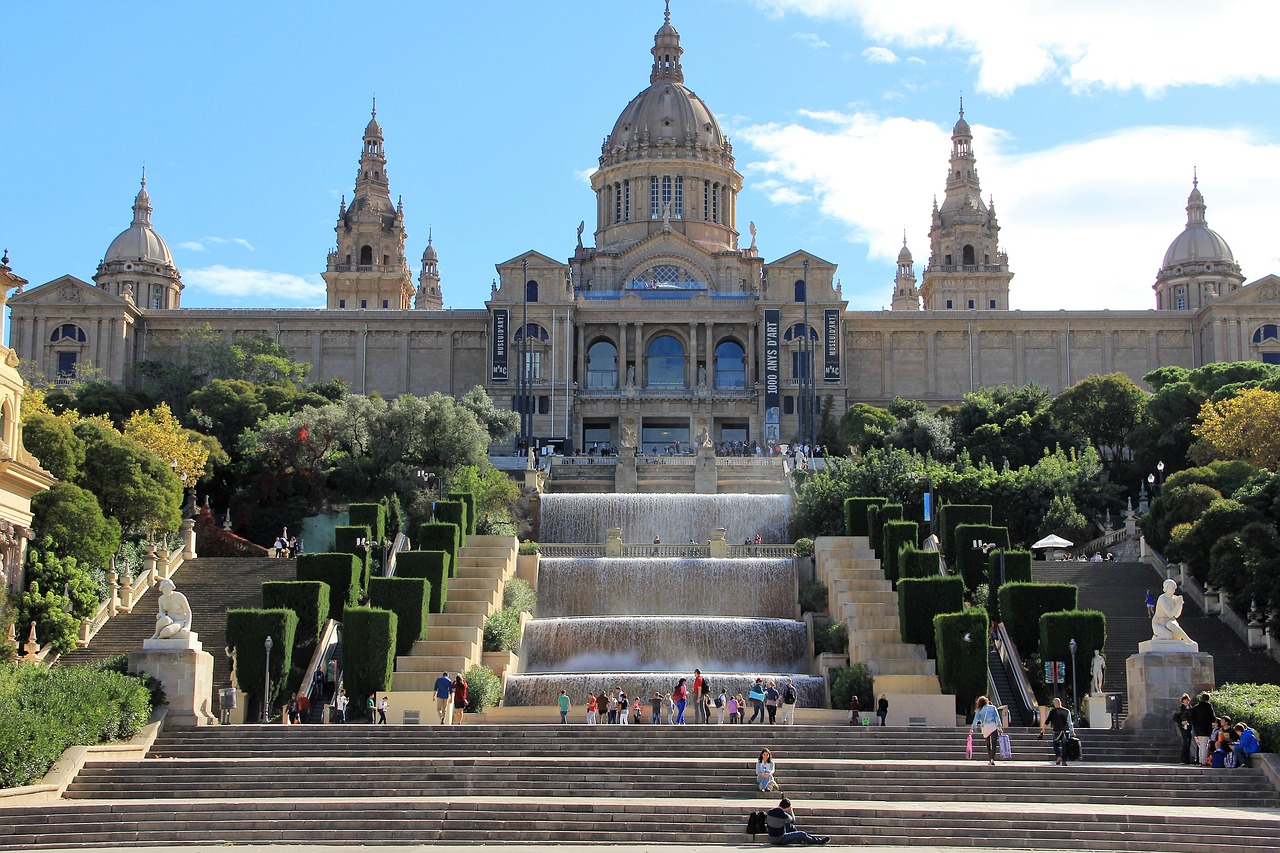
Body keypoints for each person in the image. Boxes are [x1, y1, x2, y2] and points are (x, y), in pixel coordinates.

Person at [765, 798, 830, 845]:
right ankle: (819, 841)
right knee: (801, 834)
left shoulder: (770, 811)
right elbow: (793, 820)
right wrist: (791, 811)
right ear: (787, 808)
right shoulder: (784, 815)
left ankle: (802, 839)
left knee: (790, 826)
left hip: (771, 837)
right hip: (779, 839)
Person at [971, 695, 1002, 765]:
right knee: (994, 744)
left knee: (988, 745)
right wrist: (999, 727)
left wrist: (972, 728)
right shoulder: (993, 707)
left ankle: (989, 759)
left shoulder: (979, 710)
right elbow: (997, 717)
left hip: (985, 727)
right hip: (993, 726)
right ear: (986, 701)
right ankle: (992, 759)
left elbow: (975, 720)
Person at [1189, 692, 1216, 765]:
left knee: (1200, 746)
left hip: (1197, 728)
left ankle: (1200, 760)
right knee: (1204, 745)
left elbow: (1192, 717)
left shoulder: (1196, 707)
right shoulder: (1208, 706)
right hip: (1205, 728)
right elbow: (1212, 716)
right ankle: (1203, 761)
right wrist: (1213, 722)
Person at [1045, 698, 1074, 765]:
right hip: (1065, 731)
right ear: (1060, 702)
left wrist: (1043, 730)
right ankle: (1064, 761)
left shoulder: (1053, 711)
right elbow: (1070, 722)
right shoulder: (1067, 711)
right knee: (1065, 746)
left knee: (1055, 744)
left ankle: (1058, 756)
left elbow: (1048, 721)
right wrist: (1072, 731)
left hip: (1056, 730)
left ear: (1054, 704)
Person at [1173, 693, 1194, 764]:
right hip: (1183, 726)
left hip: (1189, 726)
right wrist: (1181, 722)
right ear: (1183, 701)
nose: (1186, 701)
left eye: (1187, 700)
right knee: (1185, 742)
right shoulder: (1180, 709)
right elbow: (1175, 717)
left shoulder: (1190, 708)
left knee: (1189, 742)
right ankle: (1183, 758)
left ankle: (1187, 759)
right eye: (1185, 700)